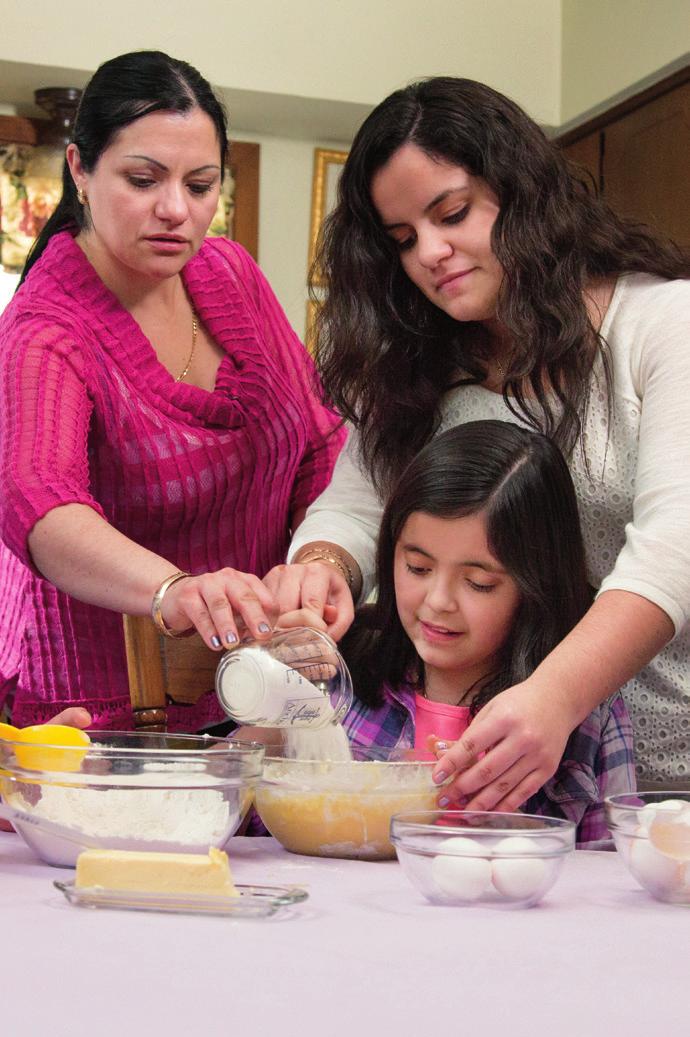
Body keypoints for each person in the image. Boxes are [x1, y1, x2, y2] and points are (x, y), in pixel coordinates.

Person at [264, 76, 690, 807]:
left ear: (522, 194)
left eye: (452, 212)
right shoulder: (412, 368)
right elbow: (353, 512)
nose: (431, 251)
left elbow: (675, 546)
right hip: (517, 779)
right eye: (403, 239)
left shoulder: (661, 323)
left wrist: (554, 699)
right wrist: (320, 567)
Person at [0, 51, 343, 732]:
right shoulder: (46, 329)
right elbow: (41, 503)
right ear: (79, 168)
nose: (175, 211)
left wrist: (316, 563)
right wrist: (173, 590)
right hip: (102, 710)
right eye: (143, 179)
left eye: (200, 183)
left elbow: (318, 439)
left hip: (261, 686)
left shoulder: (231, 274)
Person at [338, 420, 634, 847]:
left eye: (478, 583)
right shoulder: (346, 679)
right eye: (418, 568)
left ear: (536, 586)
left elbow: (610, 876)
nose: (438, 601)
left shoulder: (586, 716)